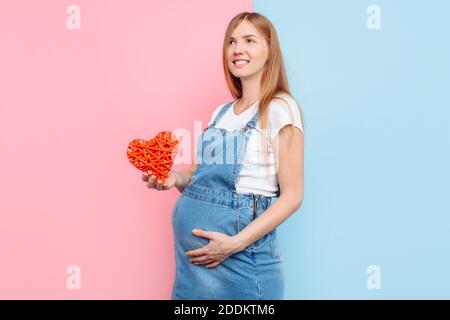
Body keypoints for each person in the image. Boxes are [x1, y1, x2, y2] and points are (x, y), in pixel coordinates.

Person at [142, 11, 304, 300]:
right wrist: (174, 178)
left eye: (249, 41)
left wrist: (234, 244)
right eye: (231, 41)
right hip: (191, 271)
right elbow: (198, 177)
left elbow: (292, 196)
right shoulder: (222, 113)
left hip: (241, 265)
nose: (237, 49)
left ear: (270, 51)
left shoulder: (281, 109)